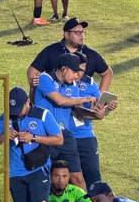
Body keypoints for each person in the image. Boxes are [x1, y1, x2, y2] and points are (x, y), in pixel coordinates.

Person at [34, 52, 96, 189]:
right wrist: (84, 98)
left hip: (65, 135)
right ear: (64, 69)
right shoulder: (45, 78)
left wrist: (96, 114)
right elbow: (60, 101)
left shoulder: (71, 84)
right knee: (47, 179)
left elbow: (76, 107)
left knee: (77, 178)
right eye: (74, 72)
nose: (76, 76)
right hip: (45, 136)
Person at [27, 18, 113, 94]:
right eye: (77, 32)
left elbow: (107, 73)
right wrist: (36, 88)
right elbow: (32, 71)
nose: (82, 35)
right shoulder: (51, 51)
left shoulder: (91, 54)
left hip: (81, 104)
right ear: (66, 34)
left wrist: (100, 97)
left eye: (83, 32)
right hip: (56, 101)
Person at [70, 53, 108, 190]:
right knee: (70, 178)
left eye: (83, 69)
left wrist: (104, 110)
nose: (81, 73)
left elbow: (98, 107)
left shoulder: (90, 83)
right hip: (65, 136)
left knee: (93, 176)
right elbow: (76, 109)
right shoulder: (61, 83)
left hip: (85, 136)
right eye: (78, 69)